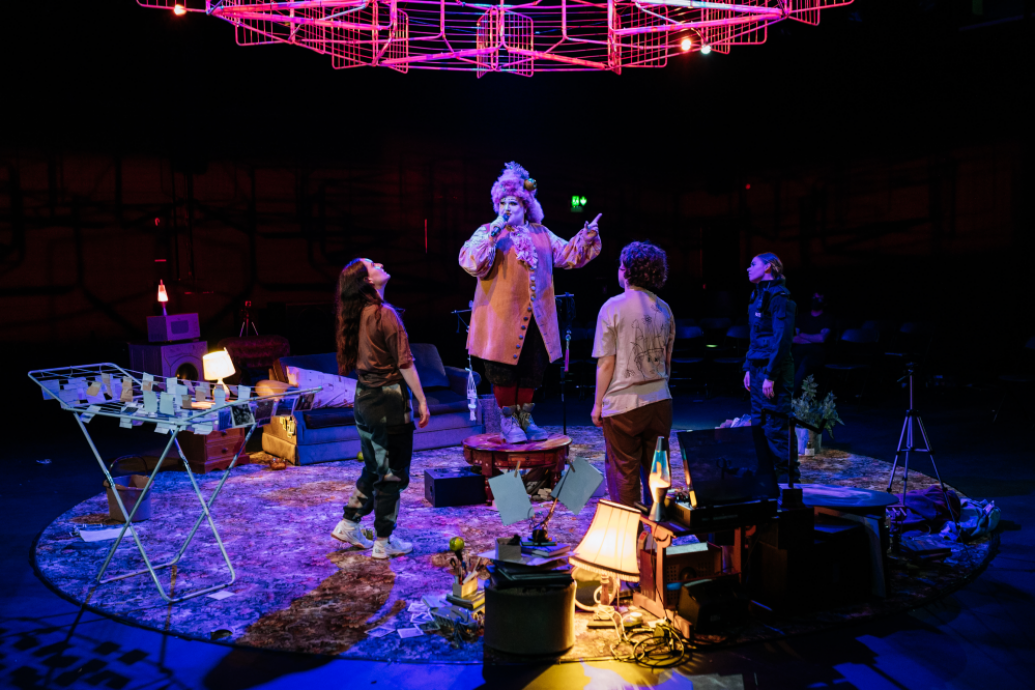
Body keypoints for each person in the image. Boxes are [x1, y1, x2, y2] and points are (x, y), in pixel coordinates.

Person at [459, 162, 601, 444]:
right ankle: (508, 421)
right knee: (503, 372)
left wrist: (586, 237)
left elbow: (569, 255)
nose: (507, 207)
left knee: (530, 373)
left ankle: (524, 418)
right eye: (503, 202)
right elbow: (470, 261)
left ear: (526, 205)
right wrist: (494, 231)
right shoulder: (488, 231)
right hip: (500, 321)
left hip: (537, 317)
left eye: (514, 202)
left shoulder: (542, 233)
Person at [330, 258, 430, 559]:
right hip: (388, 404)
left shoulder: (355, 315)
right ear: (368, 282)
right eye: (372, 264)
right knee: (392, 474)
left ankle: (349, 523)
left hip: (364, 402)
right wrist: (422, 400)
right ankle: (384, 541)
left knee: (375, 468)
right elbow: (405, 363)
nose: (381, 263)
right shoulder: (383, 315)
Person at [591, 242, 675, 508]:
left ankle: (631, 538)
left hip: (623, 405)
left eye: (620, 265)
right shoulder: (665, 309)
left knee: (623, 474)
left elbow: (606, 363)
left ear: (626, 271)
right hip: (660, 402)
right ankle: (659, 536)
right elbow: (667, 361)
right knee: (657, 472)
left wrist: (597, 405)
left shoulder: (611, 307)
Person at [742, 253, 798, 481]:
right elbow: (756, 336)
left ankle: (788, 489)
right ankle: (766, 485)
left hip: (772, 372)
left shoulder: (779, 297)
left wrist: (770, 375)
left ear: (768, 267)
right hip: (757, 370)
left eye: (753, 264)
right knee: (759, 427)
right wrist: (748, 367)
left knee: (776, 430)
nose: (748, 268)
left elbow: (782, 339)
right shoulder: (757, 295)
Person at [792, 291, 832, 394]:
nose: (815, 301)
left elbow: (821, 339)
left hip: (818, 352)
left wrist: (802, 335)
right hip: (799, 350)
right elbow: (793, 338)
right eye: (814, 297)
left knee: (806, 362)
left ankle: (791, 395)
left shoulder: (827, 318)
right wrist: (810, 339)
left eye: (819, 299)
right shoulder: (802, 317)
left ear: (824, 302)